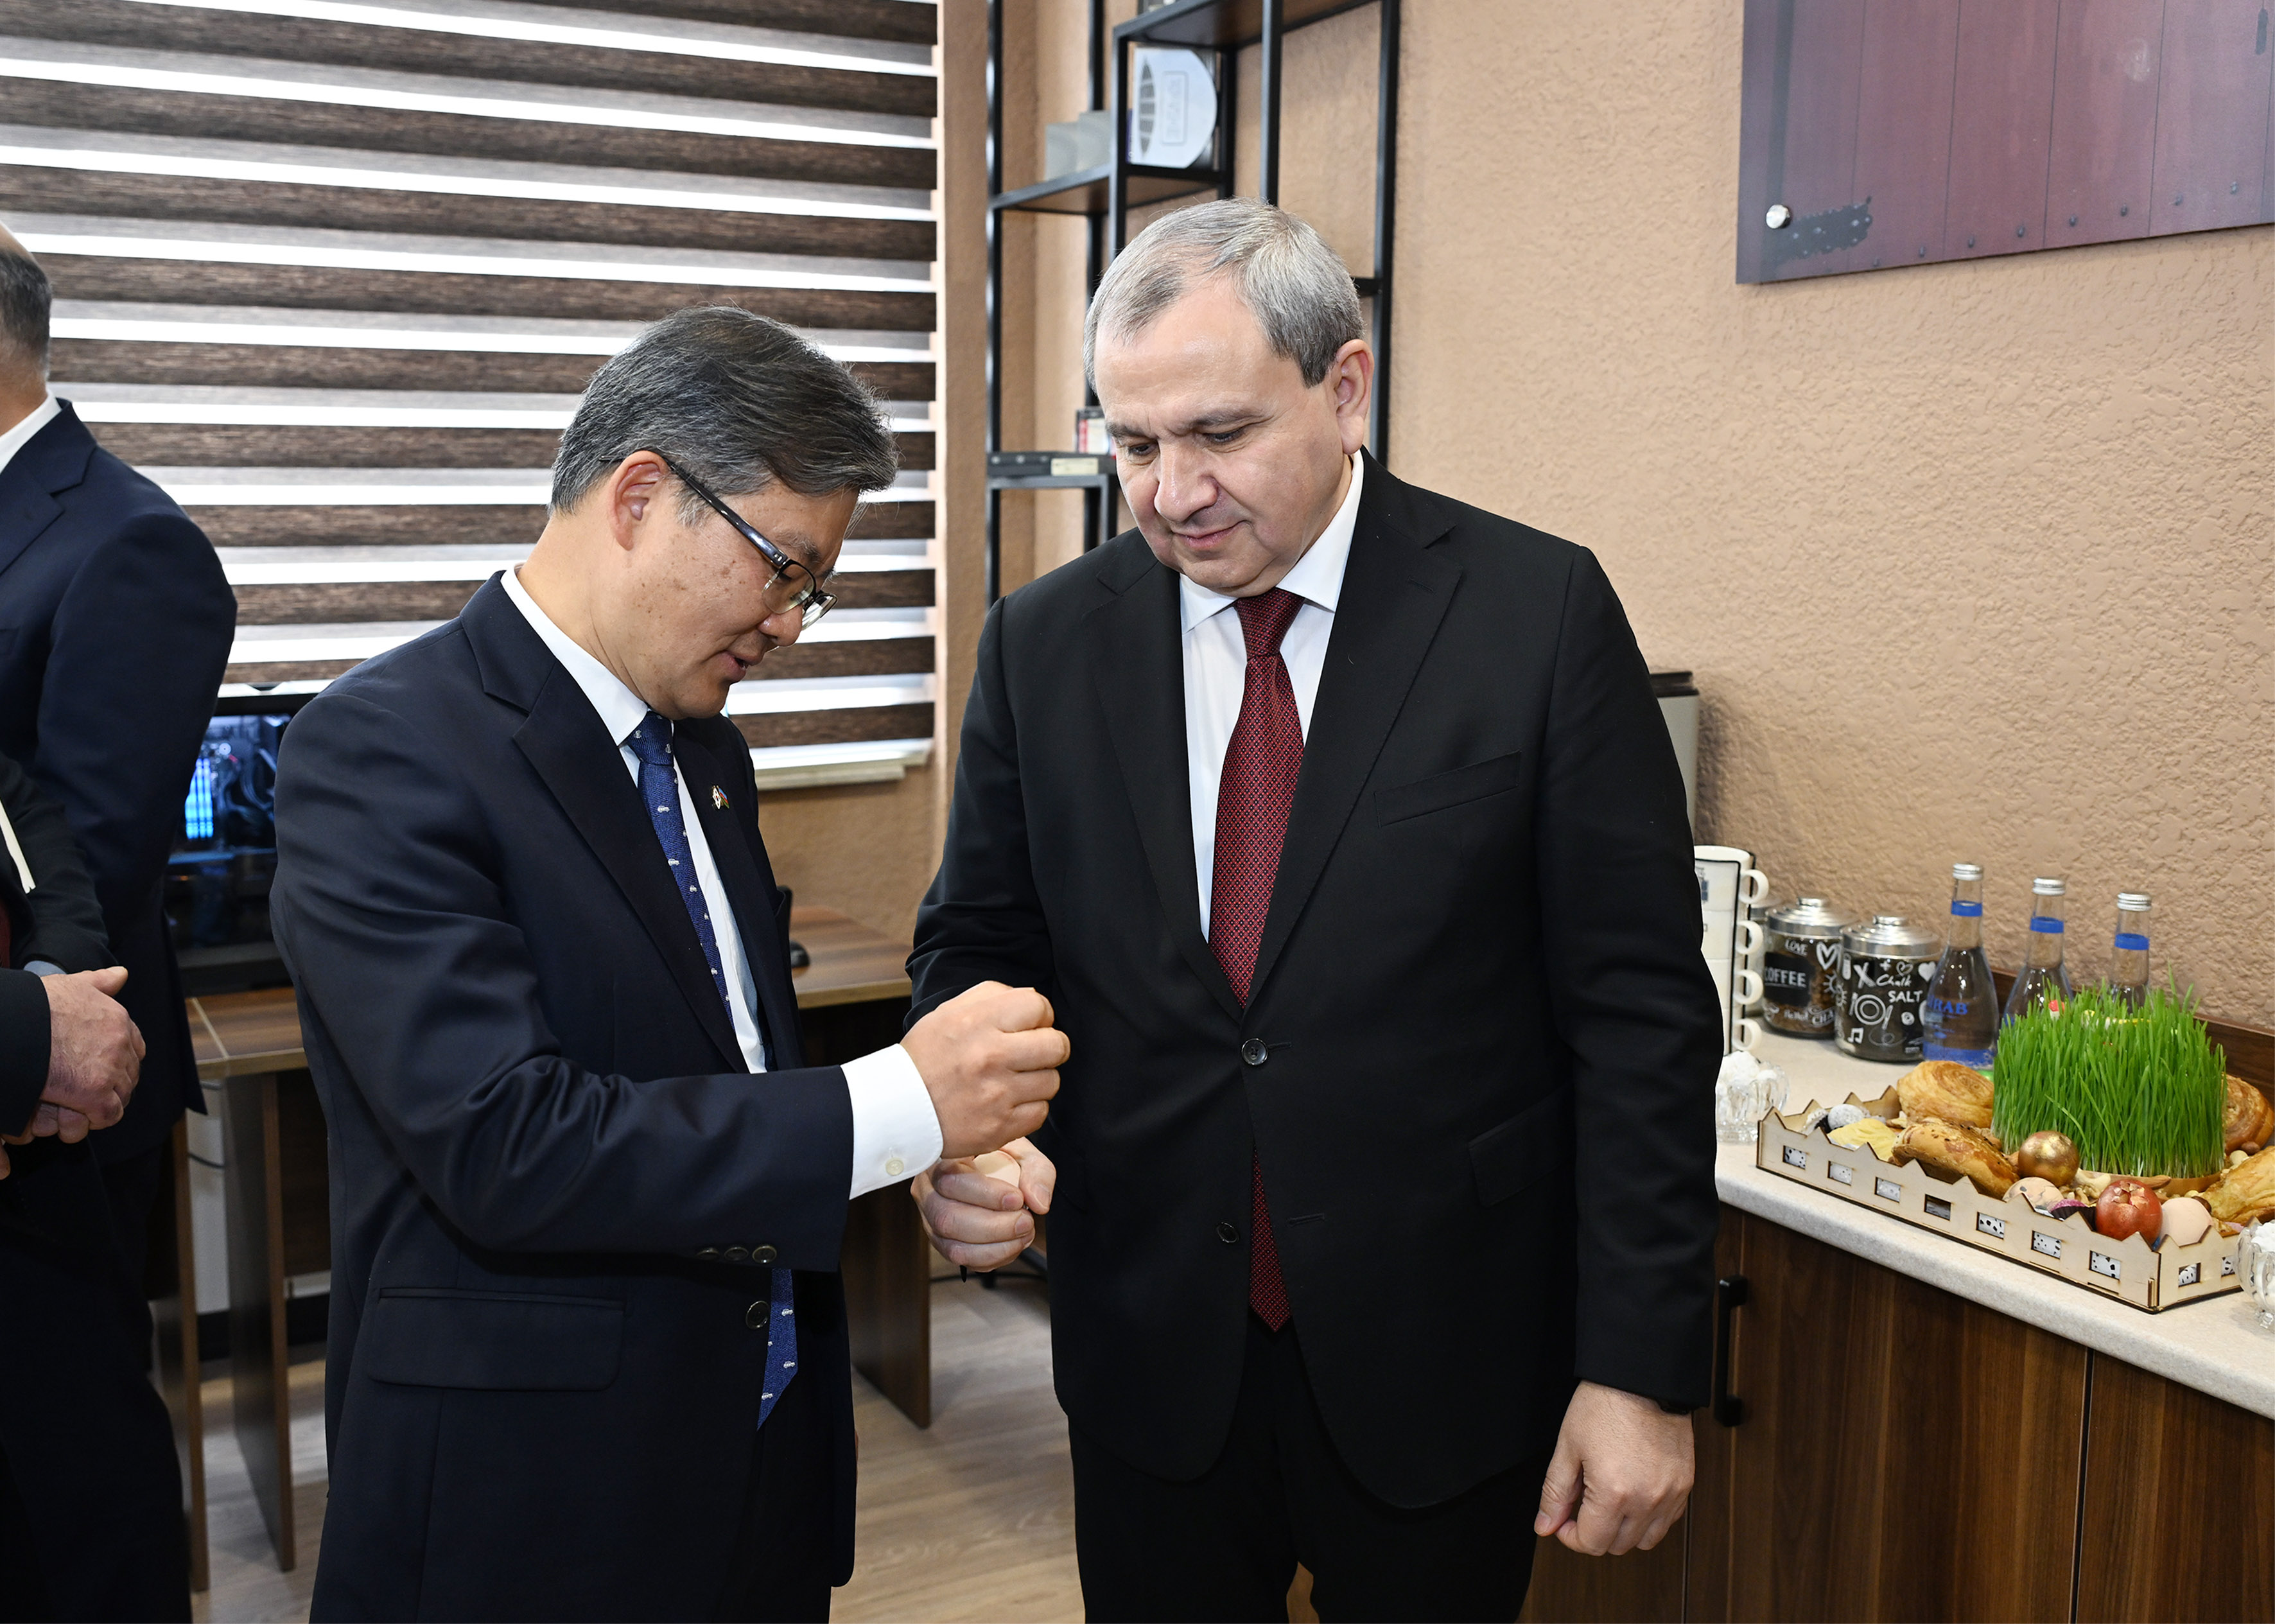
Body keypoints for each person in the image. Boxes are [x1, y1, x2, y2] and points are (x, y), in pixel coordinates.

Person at [908, 200, 1722, 1623]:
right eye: (1133, 444)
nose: (1172, 493)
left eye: (1218, 434)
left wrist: (1639, 1370)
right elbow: (979, 943)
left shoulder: (1534, 614)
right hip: (1150, 1353)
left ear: (1346, 388)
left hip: (1443, 1357)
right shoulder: (1044, 644)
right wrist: (974, 1137)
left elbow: (1641, 1020)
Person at [270, 307, 1067, 1623]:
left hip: (755, 1462)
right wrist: (899, 1100)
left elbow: (726, 1076)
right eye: (783, 569)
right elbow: (509, 1143)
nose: (793, 624)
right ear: (641, 497)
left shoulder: (705, 750)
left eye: (815, 589)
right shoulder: (379, 749)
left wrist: (920, 1151)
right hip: (532, 1501)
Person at [0, 222, 227, 1622]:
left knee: (70, 1479)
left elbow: (94, 840)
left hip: (55, 1100)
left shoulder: (130, 539)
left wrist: (22, 1034)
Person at [0, 750, 186, 1621]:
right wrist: (29, 1044)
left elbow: (53, 875)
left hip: (46, 1210)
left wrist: (52, 1016)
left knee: (107, 1517)